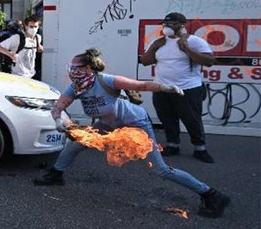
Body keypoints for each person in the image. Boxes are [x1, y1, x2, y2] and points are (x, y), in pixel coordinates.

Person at [33, 48, 230, 218]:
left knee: (160, 169)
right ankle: (56, 174)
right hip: (108, 125)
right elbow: (58, 107)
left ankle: (211, 195)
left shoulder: (106, 81)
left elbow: (140, 85)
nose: (73, 71)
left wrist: (164, 87)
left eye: (77, 67)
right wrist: (58, 120)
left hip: (136, 125)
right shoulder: (75, 87)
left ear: (88, 69)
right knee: (75, 144)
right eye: (72, 67)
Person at [140, 12, 216, 163]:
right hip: (162, 87)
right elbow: (145, 61)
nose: (168, 27)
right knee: (167, 118)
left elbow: (209, 61)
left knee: (192, 119)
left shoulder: (194, 41)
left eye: (172, 24)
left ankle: (200, 148)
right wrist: (153, 47)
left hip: (188, 88)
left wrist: (187, 48)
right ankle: (172, 145)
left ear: (182, 25)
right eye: (165, 24)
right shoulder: (158, 42)